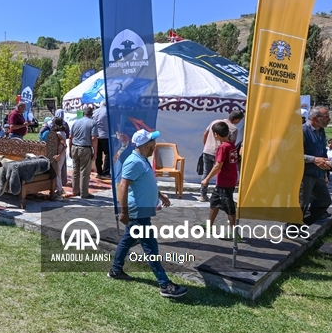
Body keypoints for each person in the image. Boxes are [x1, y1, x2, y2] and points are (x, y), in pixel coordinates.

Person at [108, 130, 188, 298]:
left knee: (127, 241)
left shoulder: (143, 159)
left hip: (142, 212)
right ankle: (165, 285)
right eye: (152, 142)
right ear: (145, 146)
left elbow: (147, 182)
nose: (155, 145)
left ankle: (115, 270)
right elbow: (123, 186)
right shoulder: (133, 162)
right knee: (151, 248)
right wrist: (123, 212)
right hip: (138, 213)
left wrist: (160, 195)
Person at [198, 108, 245, 201]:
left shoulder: (215, 122)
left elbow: (205, 134)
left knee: (206, 172)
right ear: (237, 119)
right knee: (219, 172)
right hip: (220, 153)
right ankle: (218, 194)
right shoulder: (233, 129)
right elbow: (231, 143)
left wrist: (206, 145)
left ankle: (203, 195)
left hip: (207, 150)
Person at [203, 122, 238, 231]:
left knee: (229, 207)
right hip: (228, 179)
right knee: (214, 202)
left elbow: (218, 165)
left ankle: (234, 231)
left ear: (216, 134)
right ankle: (209, 225)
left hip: (225, 182)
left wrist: (206, 179)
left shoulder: (223, 147)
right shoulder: (231, 145)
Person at [301, 106, 332, 225]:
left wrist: (325, 171)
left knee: (324, 201)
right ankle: (292, 230)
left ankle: (302, 224)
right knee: (301, 204)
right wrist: (314, 159)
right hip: (304, 174)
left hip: (318, 173)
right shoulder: (302, 131)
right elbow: (292, 154)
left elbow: (322, 152)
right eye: (326, 117)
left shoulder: (321, 131)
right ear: (315, 118)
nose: (329, 119)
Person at [69, 106, 96, 199]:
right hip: (84, 148)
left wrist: (69, 149)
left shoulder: (76, 122)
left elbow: (70, 137)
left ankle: (75, 190)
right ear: (91, 114)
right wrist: (95, 151)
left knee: (76, 171)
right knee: (84, 172)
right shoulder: (92, 123)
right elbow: (93, 138)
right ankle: (84, 193)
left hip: (74, 147)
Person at [51, 118, 68, 200]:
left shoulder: (58, 134)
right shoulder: (63, 132)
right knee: (58, 172)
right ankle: (59, 188)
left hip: (60, 155)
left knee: (57, 173)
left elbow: (65, 145)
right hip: (62, 155)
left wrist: (59, 155)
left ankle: (59, 192)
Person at [92, 103, 110, 178]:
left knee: (98, 154)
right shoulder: (108, 111)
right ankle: (105, 172)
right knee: (108, 154)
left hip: (96, 136)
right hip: (106, 136)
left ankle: (99, 172)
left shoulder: (95, 112)